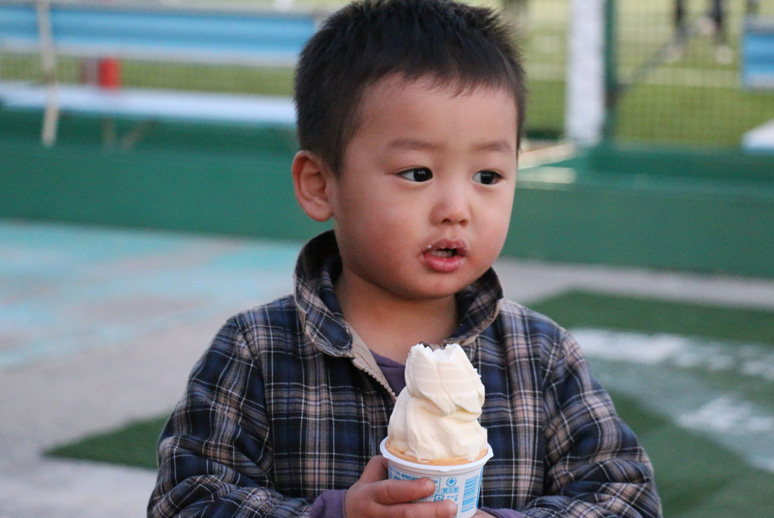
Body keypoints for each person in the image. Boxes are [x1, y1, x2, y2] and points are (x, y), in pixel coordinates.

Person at [148, 1, 662, 517]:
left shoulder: (541, 357)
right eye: (418, 173)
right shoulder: (257, 352)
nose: (456, 209)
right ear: (320, 184)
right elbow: (185, 499)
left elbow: (628, 499)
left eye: (487, 176)